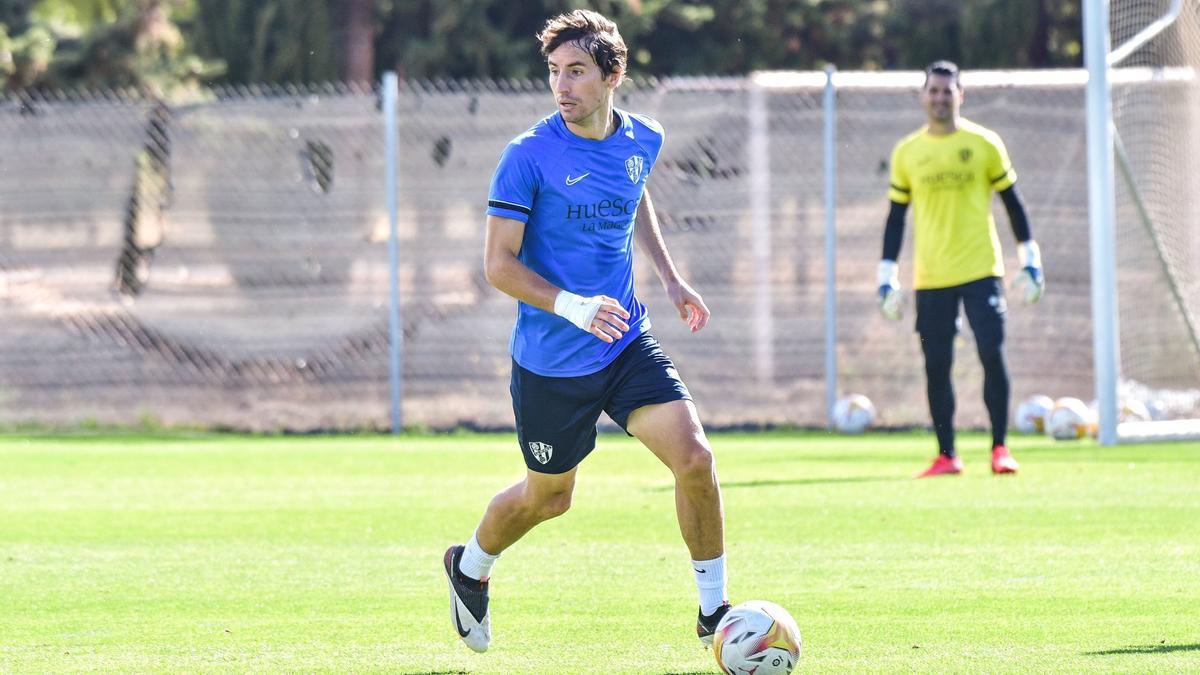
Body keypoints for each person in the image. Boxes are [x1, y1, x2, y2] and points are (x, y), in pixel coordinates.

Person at [443, 9, 730, 653]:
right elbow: (497, 266)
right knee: (549, 499)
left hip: (626, 340)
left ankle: (715, 612)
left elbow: (635, 195)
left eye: (576, 72)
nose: (562, 85)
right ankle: (470, 568)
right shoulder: (528, 156)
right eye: (554, 72)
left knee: (696, 459)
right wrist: (570, 306)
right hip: (552, 360)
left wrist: (672, 278)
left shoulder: (643, 138)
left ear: (611, 76)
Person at [877, 60, 1045, 478]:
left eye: (947, 91)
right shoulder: (907, 152)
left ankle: (1000, 448)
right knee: (936, 363)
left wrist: (1030, 260)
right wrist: (886, 276)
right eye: (933, 90)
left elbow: (1013, 204)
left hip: (980, 269)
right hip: (931, 276)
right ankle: (947, 454)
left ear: (960, 95)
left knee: (992, 351)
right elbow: (896, 218)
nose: (939, 98)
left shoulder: (985, 143)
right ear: (922, 96)